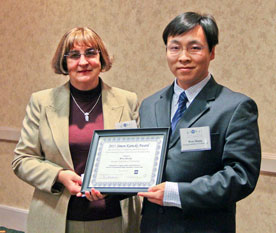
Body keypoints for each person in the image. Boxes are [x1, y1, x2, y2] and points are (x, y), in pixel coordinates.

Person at [138, 12, 261, 233]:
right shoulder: (149, 105)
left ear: (212, 52)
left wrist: (178, 193)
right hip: (153, 226)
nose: (183, 57)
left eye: (194, 48)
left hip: (203, 226)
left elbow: (240, 176)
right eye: (174, 48)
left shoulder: (235, 107)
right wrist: (108, 186)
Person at [12, 27, 141, 233]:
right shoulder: (42, 102)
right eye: (74, 55)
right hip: (57, 219)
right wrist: (60, 175)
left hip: (115, 218)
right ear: (64, 62)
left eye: (90, 53)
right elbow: (22, 160)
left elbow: (136, 160)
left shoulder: (127, 100)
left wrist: (112, 186)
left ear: (101, 58)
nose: (83, 62)